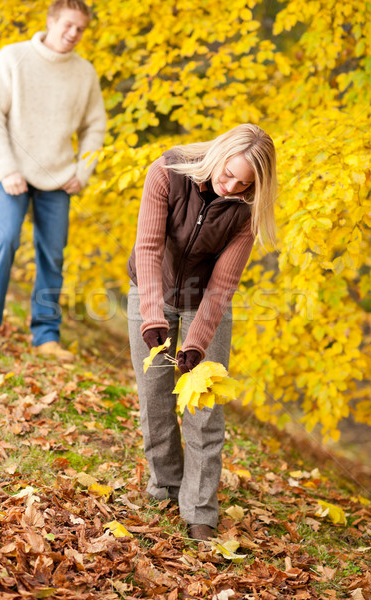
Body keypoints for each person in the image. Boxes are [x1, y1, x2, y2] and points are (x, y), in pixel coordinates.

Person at [127, 124, 277, 541]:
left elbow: (222, 286)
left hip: (205, 304)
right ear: (217, 155)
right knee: (154, 397)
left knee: (204, 408)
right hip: (150, 289)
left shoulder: (245, 209)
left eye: (244, 184)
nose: (231, 188)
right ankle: (165, 489)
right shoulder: (168, 171)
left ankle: (200, 511)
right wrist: (152, 316)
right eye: (228, 175)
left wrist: (196, 343)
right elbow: (148, 247)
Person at [0, 0, 106, 360]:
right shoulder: (12, 57)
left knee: (52, 254)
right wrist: (6, 168)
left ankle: (46, 337)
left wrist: (82, 171)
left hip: (59, 179)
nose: (73, 34)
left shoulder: (84, 72)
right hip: (12, 174)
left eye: (80, 29)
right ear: (50, 21)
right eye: (67, 25)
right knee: (5, 241)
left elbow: (95, 126)